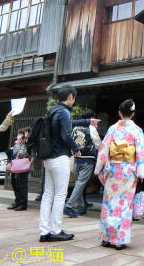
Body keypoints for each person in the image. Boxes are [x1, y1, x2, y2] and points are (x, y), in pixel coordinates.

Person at [39, 84, 100, 242]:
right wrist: (76, 149)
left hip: (48, 158)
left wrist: (88, 121)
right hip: (60, 157)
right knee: (60, 195)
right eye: (74, 98)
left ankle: (44, 231)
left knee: (48, 194)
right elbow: (66, 134)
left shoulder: (53, 111)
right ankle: (56, 230)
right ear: (71, 97)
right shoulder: (64, 112)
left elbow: (68, 124)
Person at [94, 99, 144, 250]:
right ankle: (119, 239)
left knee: (109, 204)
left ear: (119, 113)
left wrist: (98, 168)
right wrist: (141, 172)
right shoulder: (137, 130)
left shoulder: (112, 128)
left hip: (113, 170)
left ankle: (106, 238)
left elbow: (104, 149)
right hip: (128, 171)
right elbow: (141, 152)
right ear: (133, 114)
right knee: (124, 205)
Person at [64, 109, 101, 218]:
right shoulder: (91, 128)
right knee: (81, 184)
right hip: (88, 159)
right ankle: (69, 205)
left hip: (77, 158)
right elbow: (98, 144)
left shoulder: (75, 128)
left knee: (78, 183)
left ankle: (80, 206)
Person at [6, 127, 31, 211]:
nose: (18, 135)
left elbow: (21, 153)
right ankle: (17, 202)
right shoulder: (17, 143)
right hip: (15, 165)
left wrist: (25, 139)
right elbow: (12, 154)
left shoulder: (27, 143)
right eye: (18, 134)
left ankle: (23, 204)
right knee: (14, 183)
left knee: (22, 184)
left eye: (20, 134)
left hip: (23, 165)